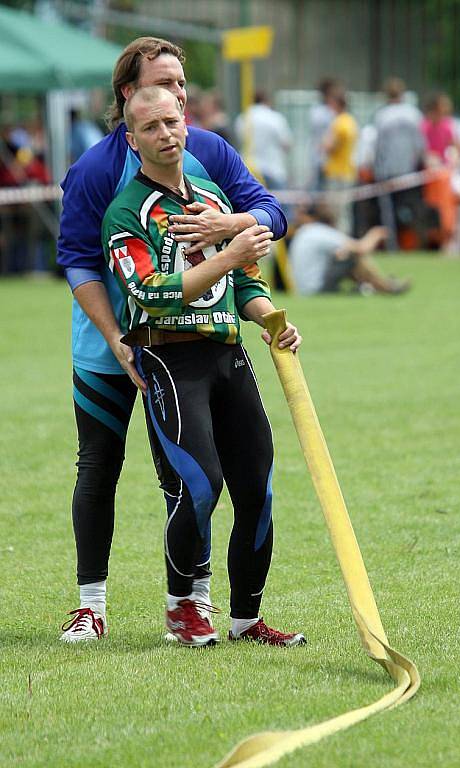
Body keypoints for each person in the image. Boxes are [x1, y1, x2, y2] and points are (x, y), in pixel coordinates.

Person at [57, 37, 289, 642]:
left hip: (207, 342)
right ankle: (92, 605)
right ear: (129, 95)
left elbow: (270, 214)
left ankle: (202, 604)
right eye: (163, 87)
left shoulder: (208, 151)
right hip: (117, 342)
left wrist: (232, 226)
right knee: (101, 467)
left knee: (193, 479)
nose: (177, 103)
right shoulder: (96, 171)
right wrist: (115, 340)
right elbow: (80, 262)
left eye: (182, 90)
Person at [100, 85, 305, 647]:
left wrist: (270, 319)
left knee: (256, 486)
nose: (165, 134)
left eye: (172, 121)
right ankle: (181, 608)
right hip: (170, 357)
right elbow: (155, 293)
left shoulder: (213, 198)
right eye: (151, 127)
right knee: (199, 485)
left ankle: (247, 618)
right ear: (132, 138)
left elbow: (245, 283)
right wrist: (232, 254)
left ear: (185, 122)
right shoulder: (127, 211)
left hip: (229, 354)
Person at [289, 203, 410, 296]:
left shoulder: (304, 232)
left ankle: (372, 285)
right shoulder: (319, 230)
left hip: (302, 287)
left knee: (345, 256)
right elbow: (361, 247)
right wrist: (376, 234)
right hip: (315, 288)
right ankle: (385, 286)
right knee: (353, 256)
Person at [373, 77, 425, 249]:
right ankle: (414, 244)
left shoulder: (382, 115)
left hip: (387, 170)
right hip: (409, 170)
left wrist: (377, 168)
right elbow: (420, 145)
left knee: (389, 212)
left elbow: (378, 146)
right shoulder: (414, 114)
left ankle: (393, 246)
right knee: (411, 208)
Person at [234, 90, 292, 191]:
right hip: (273, 168)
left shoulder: (242, 118)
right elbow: (286, 143)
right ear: (266, 101)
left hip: (248, 168)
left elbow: (239, 140)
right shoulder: (275, 118)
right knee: (281, 203)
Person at [322, 90, 358, 233]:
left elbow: (329, 146)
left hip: (337, 173)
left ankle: (339, 242)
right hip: (348, 171)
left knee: (336, 212)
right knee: (345, 211)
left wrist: (324, 143)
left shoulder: (339, 123)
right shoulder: (351, 121)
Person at [308, 77, 341, 191]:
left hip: (329, 158)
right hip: (323, 157)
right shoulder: (322, 112)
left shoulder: (319, 111)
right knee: (320, 191)